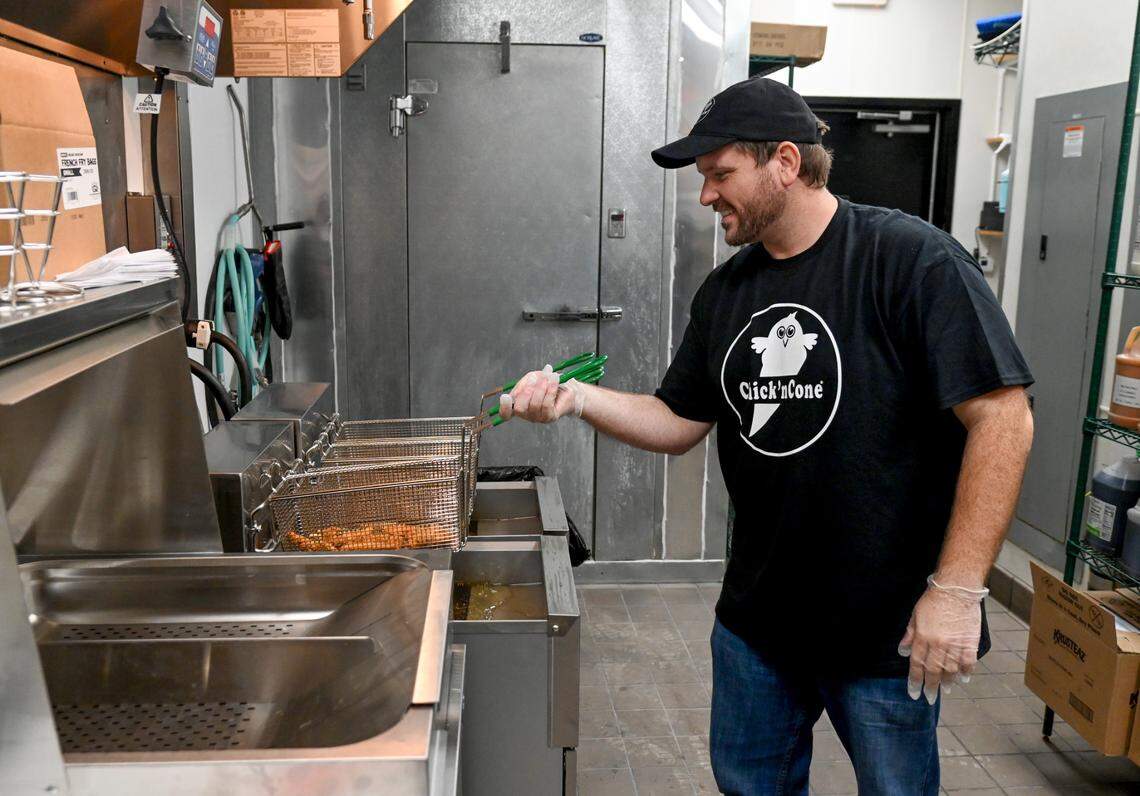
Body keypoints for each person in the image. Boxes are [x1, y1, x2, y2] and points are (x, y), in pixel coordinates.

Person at [499, 77, 1034, 795]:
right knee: (751, 787)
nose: (706, 196)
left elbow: (1003, 419)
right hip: (760, 622)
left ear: (785, 161)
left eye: (721, 175)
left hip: (886, 627)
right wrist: (576, 398)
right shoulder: (728, 292)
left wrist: (959, 591)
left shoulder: (912, 262)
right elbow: (678, 421)